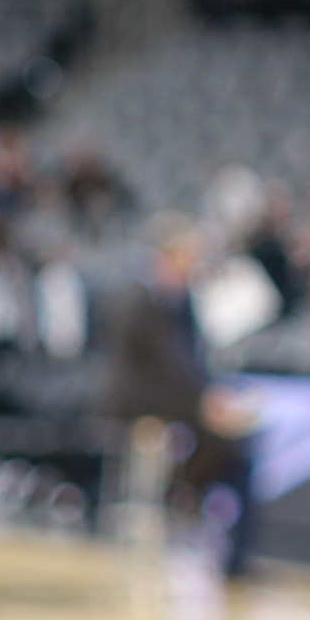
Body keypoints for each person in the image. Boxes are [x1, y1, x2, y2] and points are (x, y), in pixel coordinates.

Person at [101, 213, 260, 575]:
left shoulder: (179, 301)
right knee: (228, 447)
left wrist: (211, 399)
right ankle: (183, 498)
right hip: (143, 405)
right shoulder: (143, 301)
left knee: (238, 449)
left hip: (176, 404)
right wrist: (205, 403)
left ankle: (214, 533)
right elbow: (166, 370)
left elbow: (192, 364)